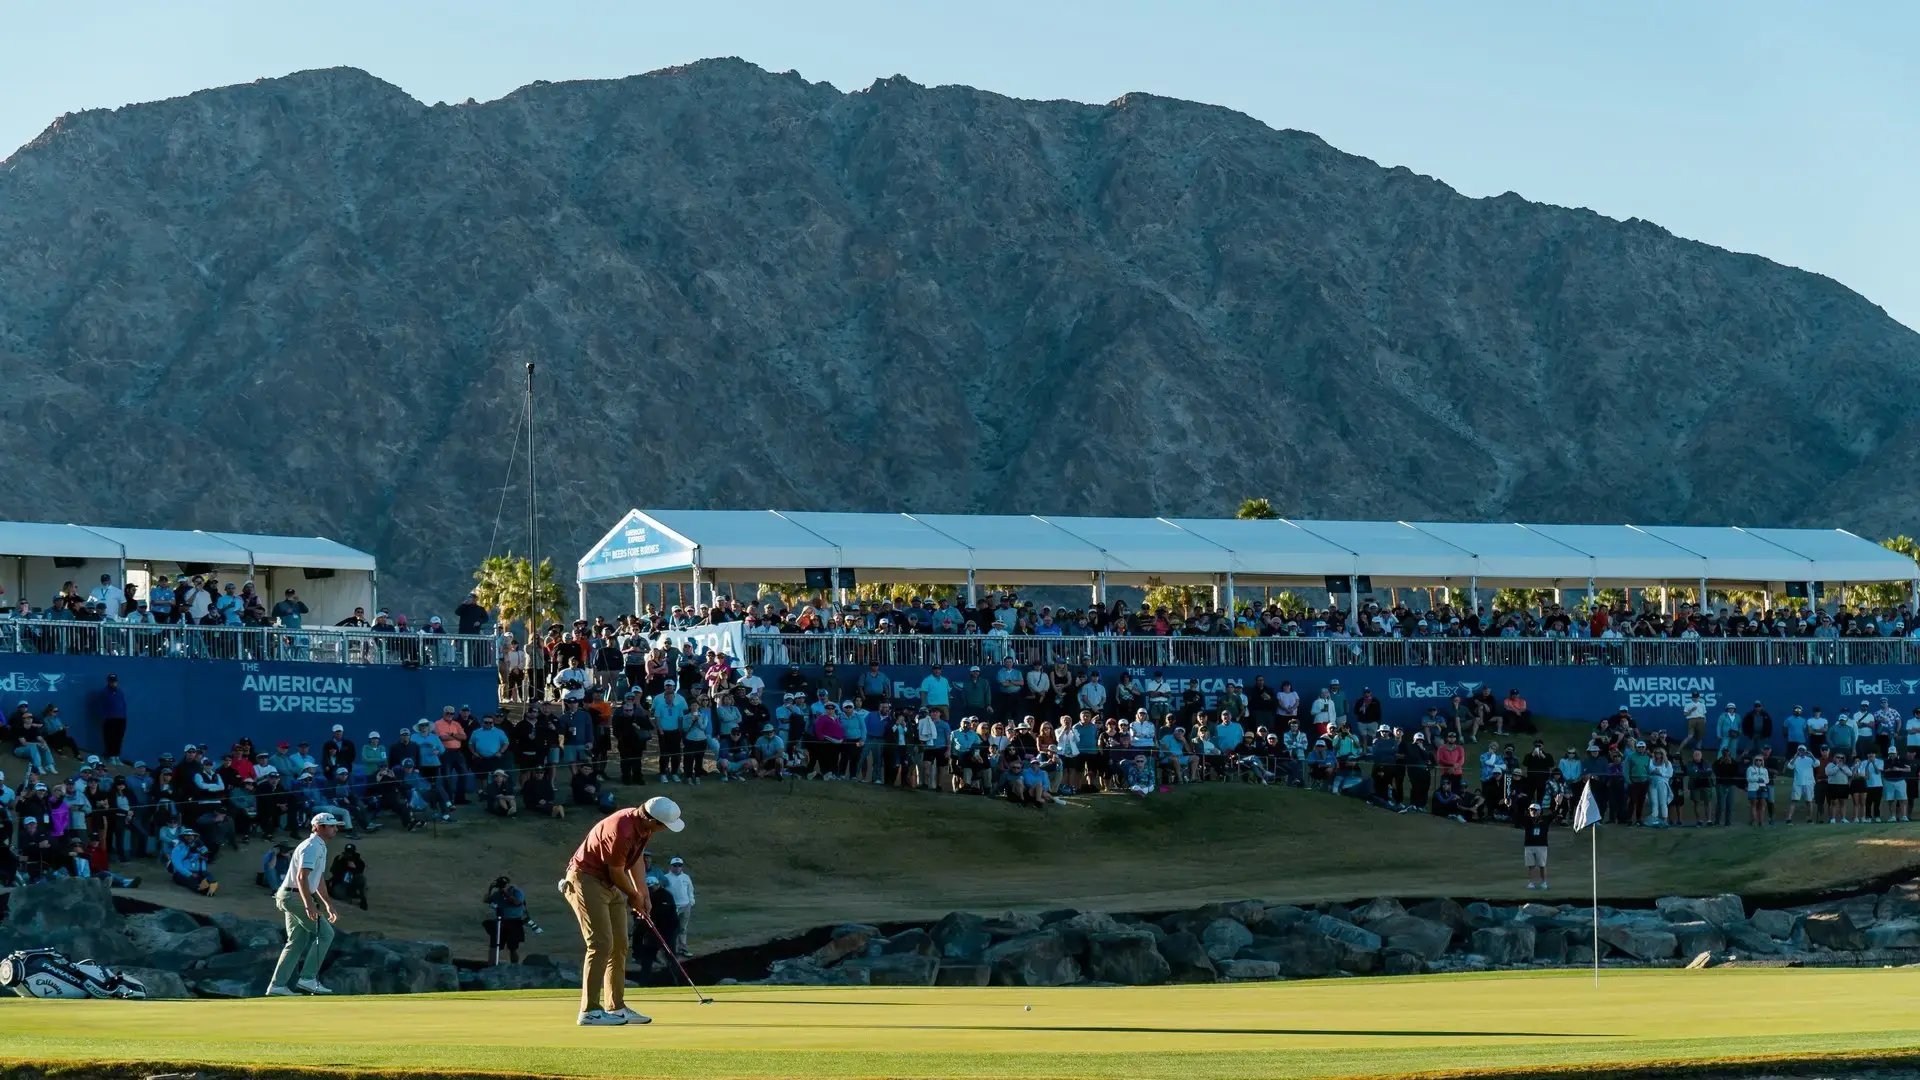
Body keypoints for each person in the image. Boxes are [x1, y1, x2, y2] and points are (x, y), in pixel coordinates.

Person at [561, 796, 685, 1027]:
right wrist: (634, 896)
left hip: (608, 883)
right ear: (651, 819)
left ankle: (616, 1007)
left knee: (619, 945)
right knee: (600, 943)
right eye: (663, 826)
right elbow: (617, 872)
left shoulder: (644, 827)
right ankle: (589, 1011)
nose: (663, 831)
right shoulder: (622, 829)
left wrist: (643, 893)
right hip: (585, 879)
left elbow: (635, 861)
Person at [264, 811, 345, 996]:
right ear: (318, 827)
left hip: (290, 896)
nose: (335, 829)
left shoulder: (320, 846)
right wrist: (309, 904)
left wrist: (328, 904)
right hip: (294, 896)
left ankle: (277, 986)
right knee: (326, 934)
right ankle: (308, 978)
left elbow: (318, 880)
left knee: (297, 941)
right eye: (331, 826)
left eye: (335, 826)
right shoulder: (312, 846)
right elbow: (302, 877)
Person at [485, 876, 529, 965]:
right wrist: (490, 890)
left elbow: (517, 903)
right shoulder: (498, 894)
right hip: (501, 922)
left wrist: (506, 894)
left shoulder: (516, 892)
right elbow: (486, 900)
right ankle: (492, 965)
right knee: (495, 945)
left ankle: (514, 965)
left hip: (514, 922)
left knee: (513, 947)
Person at [665, 855, 696, 957]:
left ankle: (683, 948)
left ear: (681, 867)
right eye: (675, 865)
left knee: (683, 928)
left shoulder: (686, 877)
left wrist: (691, 901)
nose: (677, 867)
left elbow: (690, 890)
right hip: (672, 907)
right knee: (671, 929)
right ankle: (670, 950)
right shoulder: (666, 878)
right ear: (671, 866)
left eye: (679, 865)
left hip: (685, 906)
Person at [1519, 801, 1550, 890]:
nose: (1533, 812)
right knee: (1531, 865)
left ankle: (1544, 882)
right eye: (1531, 810)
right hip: (1529, 845)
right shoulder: (1527, 820)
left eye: (1535, 810)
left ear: (1539, 811)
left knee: (1542, 865)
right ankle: (1531, 883)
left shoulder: (1544, 819)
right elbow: (1516, 815)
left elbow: (1554, 815)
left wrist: (1557, 804)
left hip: (1541, 845)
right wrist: (1509, 805)